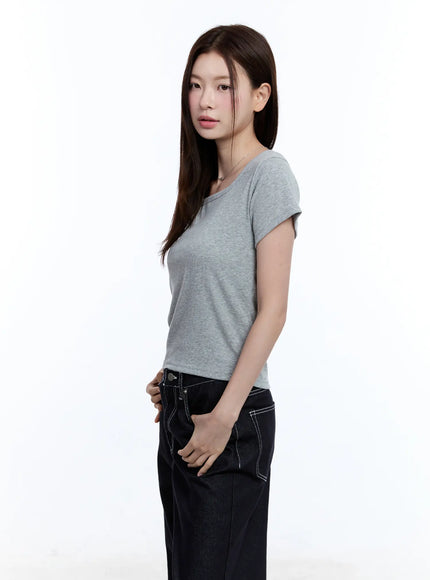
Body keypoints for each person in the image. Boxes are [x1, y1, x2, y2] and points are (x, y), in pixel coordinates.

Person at [146, 24, 302, 580]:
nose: (205, 100)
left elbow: (273, 308)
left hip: (227, 409)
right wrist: (175, 368)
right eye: (196, 85)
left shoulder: (269, 175)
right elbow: (207, 297)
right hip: (182, 401)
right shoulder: (203, 189)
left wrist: (225, 415)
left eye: (223, 86)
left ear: (260, 96)